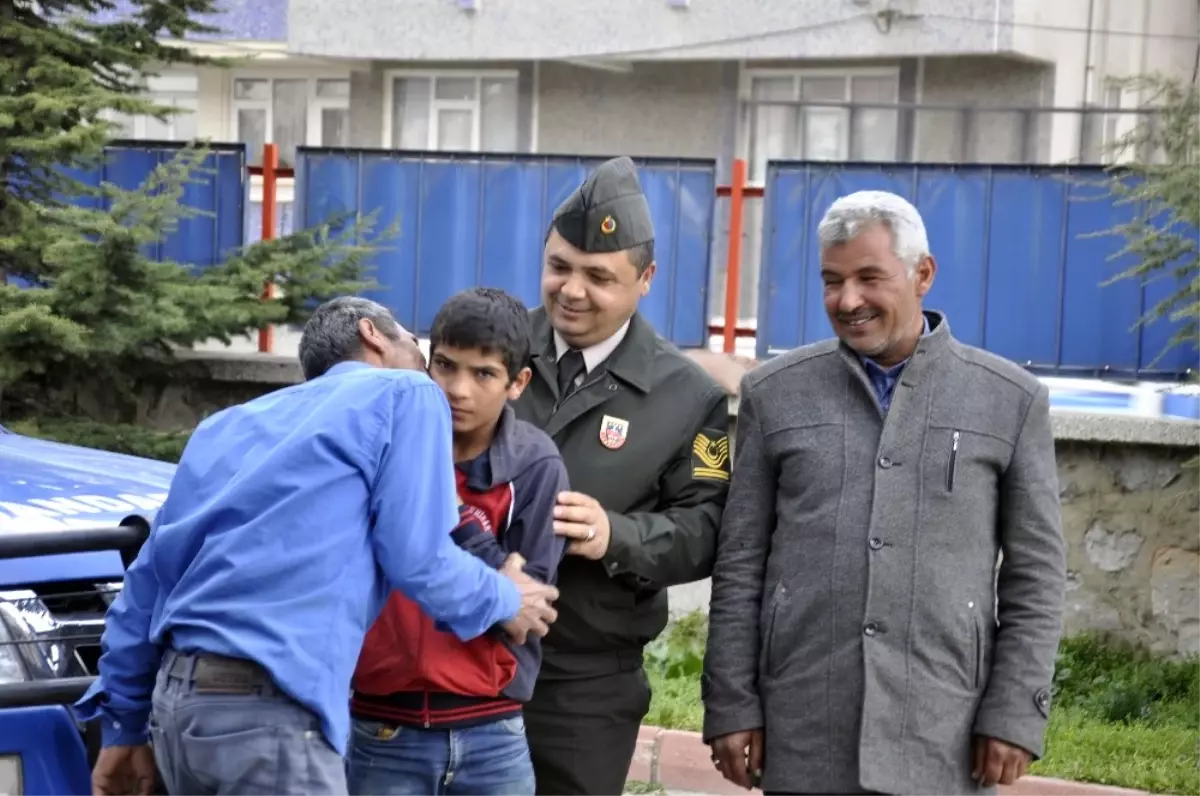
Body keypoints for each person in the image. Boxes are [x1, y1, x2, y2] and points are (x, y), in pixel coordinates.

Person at [78, 296, 560, 796]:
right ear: (375, 336)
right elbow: (416, 556)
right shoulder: (406, 393)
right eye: (424, 356)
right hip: (272, 720)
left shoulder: (224, 427)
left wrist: (125, 726)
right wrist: (507, 598)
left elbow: (146, 587)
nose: (440, 384)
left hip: (178, 714)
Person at [702, 190, 1068, 796]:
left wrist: (1014, 711)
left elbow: (1037, 573)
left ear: (923, 274)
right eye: (831, 280)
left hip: (945, 730)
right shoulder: (775, 394)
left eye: (870, 277)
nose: (848, 301)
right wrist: (732, 703)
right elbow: (740, 563)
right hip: (803, 722)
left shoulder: (1010, 399)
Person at [511, 156, 732, 796]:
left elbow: (708, 527)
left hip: (582, 680)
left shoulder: (689, 397)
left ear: (645, 279)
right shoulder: (492, 349)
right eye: (559, 267)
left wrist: (618, 536)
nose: (571, 290)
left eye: (598, 276)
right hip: (464, 656)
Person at [347, 287, 569, 796]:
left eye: (483, 373)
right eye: (445, 366)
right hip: (382, 723)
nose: (458, 389)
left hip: (493, 731)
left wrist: (449, 513)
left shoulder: (537, 466)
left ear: (518, 383)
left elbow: (526, 609)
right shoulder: (381, 442)